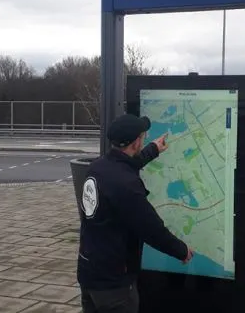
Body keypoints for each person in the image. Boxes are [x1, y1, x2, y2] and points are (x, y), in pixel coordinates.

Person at [77, 113, 194, 313]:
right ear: (135, 142)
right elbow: (151, 229)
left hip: (90, 270)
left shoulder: (98, 168)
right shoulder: (126, 185)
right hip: (114, 283)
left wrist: (153, 150)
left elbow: (126, 166)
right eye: (142, 136)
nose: (144, 139)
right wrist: (181, 250)